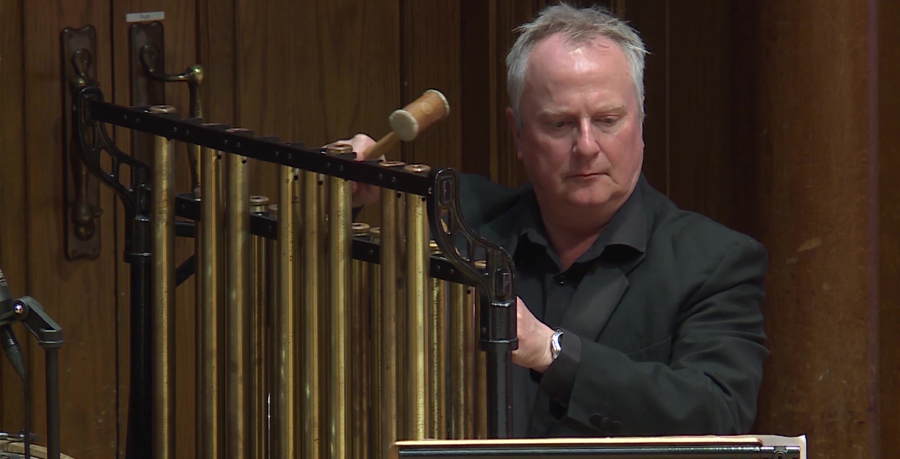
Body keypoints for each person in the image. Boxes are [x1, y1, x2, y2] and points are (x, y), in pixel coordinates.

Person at [344, 3, 768, 438]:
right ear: (518, 134)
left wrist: (553, 352)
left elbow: (718, 412)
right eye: (560, 123)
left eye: (607, 120)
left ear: (640, 120)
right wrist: (349, 195)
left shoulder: (715, 261)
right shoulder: (461, 222)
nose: (586, 146)